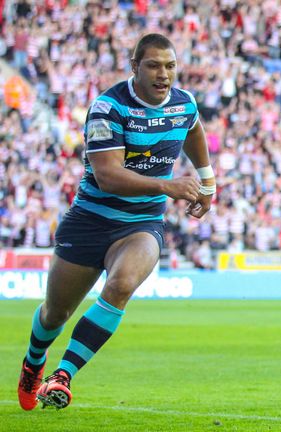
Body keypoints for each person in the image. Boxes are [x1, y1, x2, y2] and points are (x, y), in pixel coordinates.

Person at [17, 33, 216, 411]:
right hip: (90, 221)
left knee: (122, 285)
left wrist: (208, 179)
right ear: (134, 67)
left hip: (141, 223)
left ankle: (63, 375)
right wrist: (168, 184)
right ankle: (34, 362)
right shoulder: (108, 107)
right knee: (54, 314)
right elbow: (108, 175)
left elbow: (193, 129)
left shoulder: (183, 103)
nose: (164, 75)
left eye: (170, 66)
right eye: (154, 65)